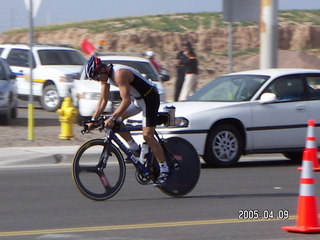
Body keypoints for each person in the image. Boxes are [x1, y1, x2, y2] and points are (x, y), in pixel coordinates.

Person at [84, 56, 170, 186]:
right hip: (137, 100)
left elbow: (126, 100)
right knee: (117, 122)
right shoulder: (105, 77)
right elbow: (103, 100)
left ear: (102, 70)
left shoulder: (120, 73)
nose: (97, 80)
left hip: (149, 98)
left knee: (147, 135)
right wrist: (92, 120)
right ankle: (135, 149)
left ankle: (165, 170)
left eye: (96, 77)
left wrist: (112, 117)